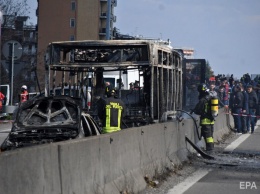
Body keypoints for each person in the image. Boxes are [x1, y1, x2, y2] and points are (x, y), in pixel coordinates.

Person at [193, 83, 217, 153]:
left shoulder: (203, 99)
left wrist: (194, 111)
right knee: (210, 136)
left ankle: (209, 150)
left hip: (205, 120)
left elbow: (198, 110)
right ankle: (211, 148)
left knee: (208, 136)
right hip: (211, 120)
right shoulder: (210, 97)